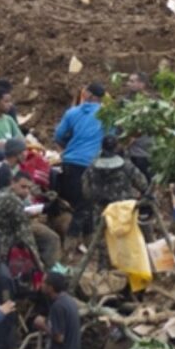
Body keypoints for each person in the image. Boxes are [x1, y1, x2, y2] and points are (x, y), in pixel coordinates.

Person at [55, 82, 107, 236]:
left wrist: (67, 150)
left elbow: (58, 136)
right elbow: (112, 138)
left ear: (89, 95)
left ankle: (79, 240)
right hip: (93, 164)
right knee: (87, 205)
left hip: (70, 163)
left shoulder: (72, 113)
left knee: (79, 204)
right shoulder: (106, 115)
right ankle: (78, 242)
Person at [0, 171, 55, 270]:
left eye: (29, 188)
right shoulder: (12, 200)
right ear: (13, 183)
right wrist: (39, 265)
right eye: (23, 187)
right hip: (0, 248)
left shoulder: (4, 192)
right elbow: (26, 236)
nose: (26, 191)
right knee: (51, 238)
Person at [82, 135, 150, 225]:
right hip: (124, 212)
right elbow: (143, 184)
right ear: (116, 147)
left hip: (101, 215)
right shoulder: (127, 166)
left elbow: (86, 192)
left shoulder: (91, 169)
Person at [123, 72, 154, 178]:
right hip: (129, 152)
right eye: (128, 81)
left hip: (145, 152)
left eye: (132, 81)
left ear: (142, 84)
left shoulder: (152, 103)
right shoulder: (124, 102)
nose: (128, 84)